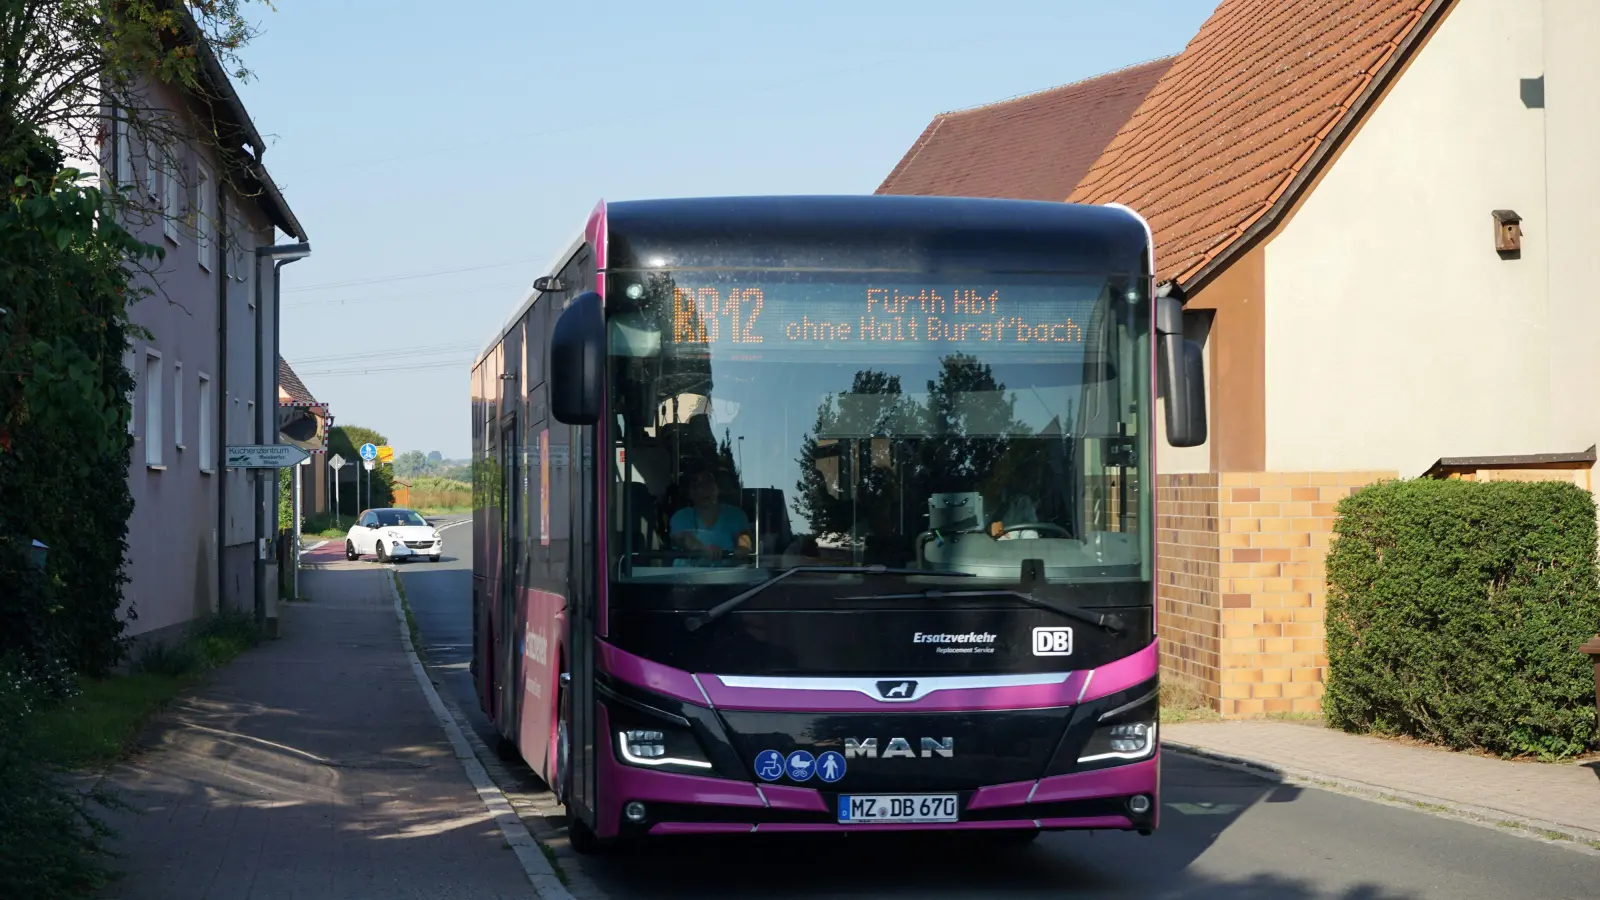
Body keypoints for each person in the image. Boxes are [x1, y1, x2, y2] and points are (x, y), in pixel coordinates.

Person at [670, 469, 753, 565]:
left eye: (708, 483)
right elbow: (684, 538)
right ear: (689, 493)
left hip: (728, 578)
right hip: (684, 578)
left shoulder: (736, 515)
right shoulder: (681, 516)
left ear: (718, 488)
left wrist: (742, 550)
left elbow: (744, 539)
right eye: (696, 486)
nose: (703, 490)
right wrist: (703, 549)